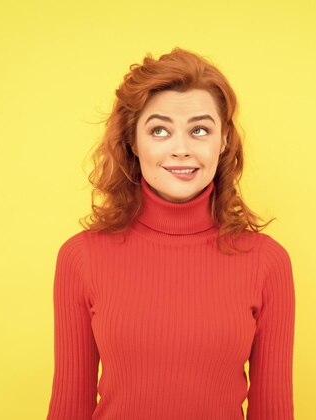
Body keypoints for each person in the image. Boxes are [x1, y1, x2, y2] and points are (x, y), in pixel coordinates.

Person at [46, 47, 296, 420]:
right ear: (132, 141)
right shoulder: (81, 257)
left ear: (223, 140)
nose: (181, 149)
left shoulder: (267, 262)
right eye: (160, 130)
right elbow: (70, 408)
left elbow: (273, 413)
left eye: (199, 130)